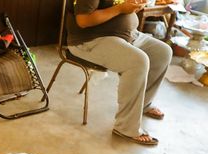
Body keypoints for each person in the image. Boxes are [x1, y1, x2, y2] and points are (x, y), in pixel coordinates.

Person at [66, 0, 172, 145]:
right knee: (138, 61)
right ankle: (126, 127)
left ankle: (144, 104)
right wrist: (121, 9)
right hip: (91, 40)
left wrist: (136, 5)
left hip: (129, 35)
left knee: (163, 52)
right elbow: (83, 20)